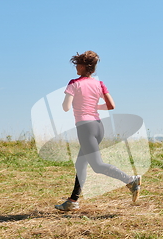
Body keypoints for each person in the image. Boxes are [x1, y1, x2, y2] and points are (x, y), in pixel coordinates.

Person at [55, 51, 141, 211]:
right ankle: (73, 201)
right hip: (98, 127)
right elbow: (111, 105)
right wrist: (95, 106)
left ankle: (130, 180)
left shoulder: (74, 83)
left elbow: (65, 107)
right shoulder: (99, 84)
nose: (75, 67)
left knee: (97, 165)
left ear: (81, 66)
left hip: (85, 127)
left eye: (77, 65)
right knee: (81, 163)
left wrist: (71, 101)